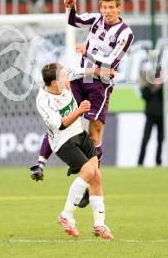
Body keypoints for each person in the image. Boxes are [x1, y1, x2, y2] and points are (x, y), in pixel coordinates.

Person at [31, 0, 134, 206]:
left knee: (94, 132)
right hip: (80, 78)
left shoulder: (126, 33)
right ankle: (41, 163)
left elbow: (111, 65)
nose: (106, 12)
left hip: (101, 85)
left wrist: (87, 53)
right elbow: (73, 20)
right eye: (104, 7)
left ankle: (90, 180)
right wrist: (71, 6)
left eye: (111, 8)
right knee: (62, 118)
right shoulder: (96, 19)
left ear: (119, 8)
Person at [33, 62, 114, 239]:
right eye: (64, 77)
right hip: (62, 142)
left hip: (78, 133)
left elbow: (87, 71)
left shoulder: (64, 76)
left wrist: (105, 71)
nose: (67, 77)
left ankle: (99, 225)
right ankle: (66, 215)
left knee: (96, 175)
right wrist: (79, 110)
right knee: (88, 171)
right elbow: (60, 125)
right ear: (55, 83)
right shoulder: (43, 101)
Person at [137, 66, 164, 166]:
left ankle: (158, 161)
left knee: (160, 140)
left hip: (161, 116)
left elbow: (167, 96)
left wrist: (159, 87)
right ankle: (140, 162)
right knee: (145, 139)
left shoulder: (164, 87)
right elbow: (145, 96)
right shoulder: (148, 86)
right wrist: (153, 87)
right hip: (150, 115)